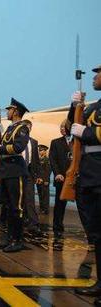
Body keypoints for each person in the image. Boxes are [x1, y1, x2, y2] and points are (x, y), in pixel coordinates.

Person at [71, 65, 101, 301]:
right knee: (97, 233)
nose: (94, 78)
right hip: (90, 173)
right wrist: (75, 106)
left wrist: (86, 133)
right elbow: (74, 124)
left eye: (98, 74)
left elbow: (86, 132)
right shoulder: (94, 107)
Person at [0, 98, 30, 252]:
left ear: (16, 112)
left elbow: (18, 147)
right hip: (7, 170)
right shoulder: (9, 128)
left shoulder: (22, 128)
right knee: (8, 206)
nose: (7, 112)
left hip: (16, 170)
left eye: (9, 109)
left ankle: (17, 240)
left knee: (17, 207)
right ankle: (9, 238)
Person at [49, 120, 73, 238]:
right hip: (61, 179)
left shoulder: (77, 142)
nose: (62, 128)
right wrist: (57, 173)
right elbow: (52, 159)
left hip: (76, 179)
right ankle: (57, 227)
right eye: (61, 126)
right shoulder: (55, 142)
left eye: (64, 126)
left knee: (84, 206)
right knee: (59, 205)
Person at [21, 119, 43, 236]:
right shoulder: (17, 141)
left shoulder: (34, 142)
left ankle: (34, 224)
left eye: (28, 127)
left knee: (30, 199)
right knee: (17, 199)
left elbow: (36, 160)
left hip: (29, 173)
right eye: (25, 126)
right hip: (18, 172)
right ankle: (15, 221)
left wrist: (39, 175)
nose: (27, 128)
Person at [36, 144, 50, 215]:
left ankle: (45, 209)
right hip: (39, 181)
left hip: (44, 181)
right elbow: (37, 170)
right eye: (39, 150)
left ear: (45, 151)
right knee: (40, 195)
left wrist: (46, 180)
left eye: (41, 150)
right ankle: (42, 208)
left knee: (45, 196)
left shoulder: (46, 160)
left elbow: (47, 171)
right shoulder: (38, 160)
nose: (40, 152)